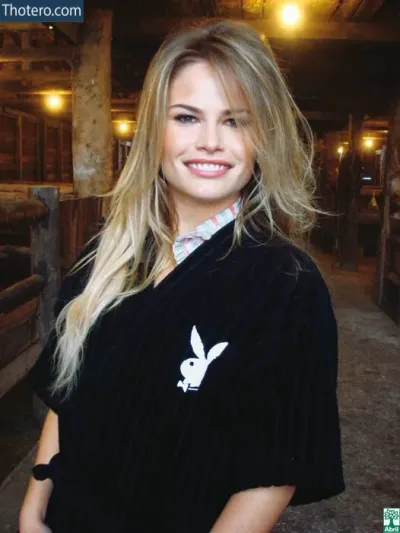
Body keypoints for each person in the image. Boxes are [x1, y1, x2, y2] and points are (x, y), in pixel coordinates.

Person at [19, 19, 345, 533]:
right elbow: (66, 393)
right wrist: (33, 506)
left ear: (263, 137)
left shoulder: (288, 285)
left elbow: (273, 474)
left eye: (235, 121)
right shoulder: (106, 254)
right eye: (188, 117)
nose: (211, 141)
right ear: (155, 130)